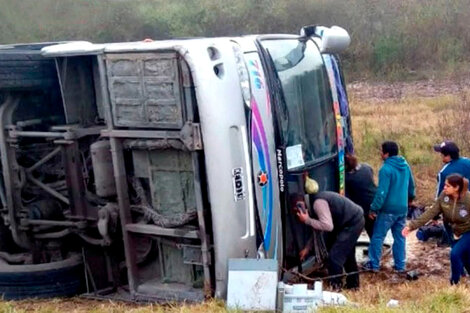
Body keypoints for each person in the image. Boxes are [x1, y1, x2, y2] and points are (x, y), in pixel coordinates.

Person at [296, 179, 364, 290]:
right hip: (351, 219)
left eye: (299, 207)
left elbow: (327, 226)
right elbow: (317, 229)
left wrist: (307, 220)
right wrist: (307, 249)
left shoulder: (318, 203)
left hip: (352, 222)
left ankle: (336, 287)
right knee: (347, 254)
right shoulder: (317, 199)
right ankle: (353, 285)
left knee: (335, 256)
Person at [403, 174, 470, 285]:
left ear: (456, 188)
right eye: (444, 185)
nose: (444, 187)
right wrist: (411, 226)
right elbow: (431, 212)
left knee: (455, 254)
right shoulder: (444, 196)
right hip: (451, 230)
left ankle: (454, 284)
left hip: (467, 231)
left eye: (447, 186)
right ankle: (463, 277)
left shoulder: (468, 199)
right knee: (465, 256)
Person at [364, 141, 415, 272]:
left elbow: (382, 192)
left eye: (381, 151)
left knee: (378, 236)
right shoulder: (405, 165)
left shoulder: (385, 169)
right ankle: (400, 266)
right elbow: (411, 185)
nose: (380, 153)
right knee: (400, 237)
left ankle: (373, 264)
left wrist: (374, 208)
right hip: (402, 209)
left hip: (387, 210)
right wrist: (410, 199)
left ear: (386, 154)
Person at [432, 141, 470, 245]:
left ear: (448, 156)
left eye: (442, 154)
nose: (441, 156)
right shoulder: (468, 162)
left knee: (455, 241)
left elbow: (440, 194)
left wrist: (435, 216)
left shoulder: (444, 172)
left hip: (455, 210)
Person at [345, 153, 377, 240]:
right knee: (374, 230)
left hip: (364, 207)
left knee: (369, 228)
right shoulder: (366, 167)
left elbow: (347, 197)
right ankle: (376, 248)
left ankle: (375, 251)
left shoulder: (348, 178)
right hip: (375, 200)